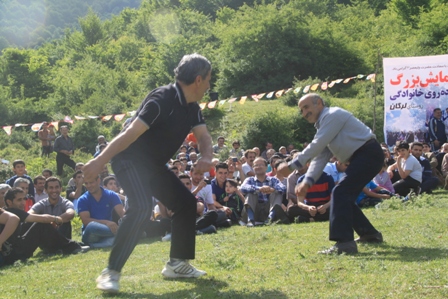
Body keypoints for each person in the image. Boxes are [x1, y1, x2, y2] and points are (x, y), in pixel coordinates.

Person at [82, 53, 213, 293]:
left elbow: (204, 137)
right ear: (197, 79)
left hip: (153, 165)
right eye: (208, 80)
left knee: (185, 203)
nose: (209, 85)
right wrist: (100, 161)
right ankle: (110, 272)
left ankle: (177, 264)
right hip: (128, 159)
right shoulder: (162, 99)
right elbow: (129, 135)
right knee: (141, 206)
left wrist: (206, 157)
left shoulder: (193, 108)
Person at [277, 93, 384, 255]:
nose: (304, 113)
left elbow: (317, 144)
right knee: (344, 195)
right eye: (301, 110)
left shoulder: (332, 115)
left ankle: (344, 244)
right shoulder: (325, 125)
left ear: (319, 103)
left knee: (340, 192)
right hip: (363, 156)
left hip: (368, 154)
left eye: (306, 107)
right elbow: (321, 157)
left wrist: (293, 166)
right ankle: (369, 234)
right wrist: (307, 182)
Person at [77, 175, 124, 248]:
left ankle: (92, 246)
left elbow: (122, 213)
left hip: (108, 231)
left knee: (115, 240)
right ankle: (126, 233)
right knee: (92, 225)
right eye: (86, 183)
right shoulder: (83, 199)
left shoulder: (111, 195)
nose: (89, 186)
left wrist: (130, 223)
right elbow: (86, 221)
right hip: (92, 233)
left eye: (91, 182)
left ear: (98, 180)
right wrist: (107, 222)